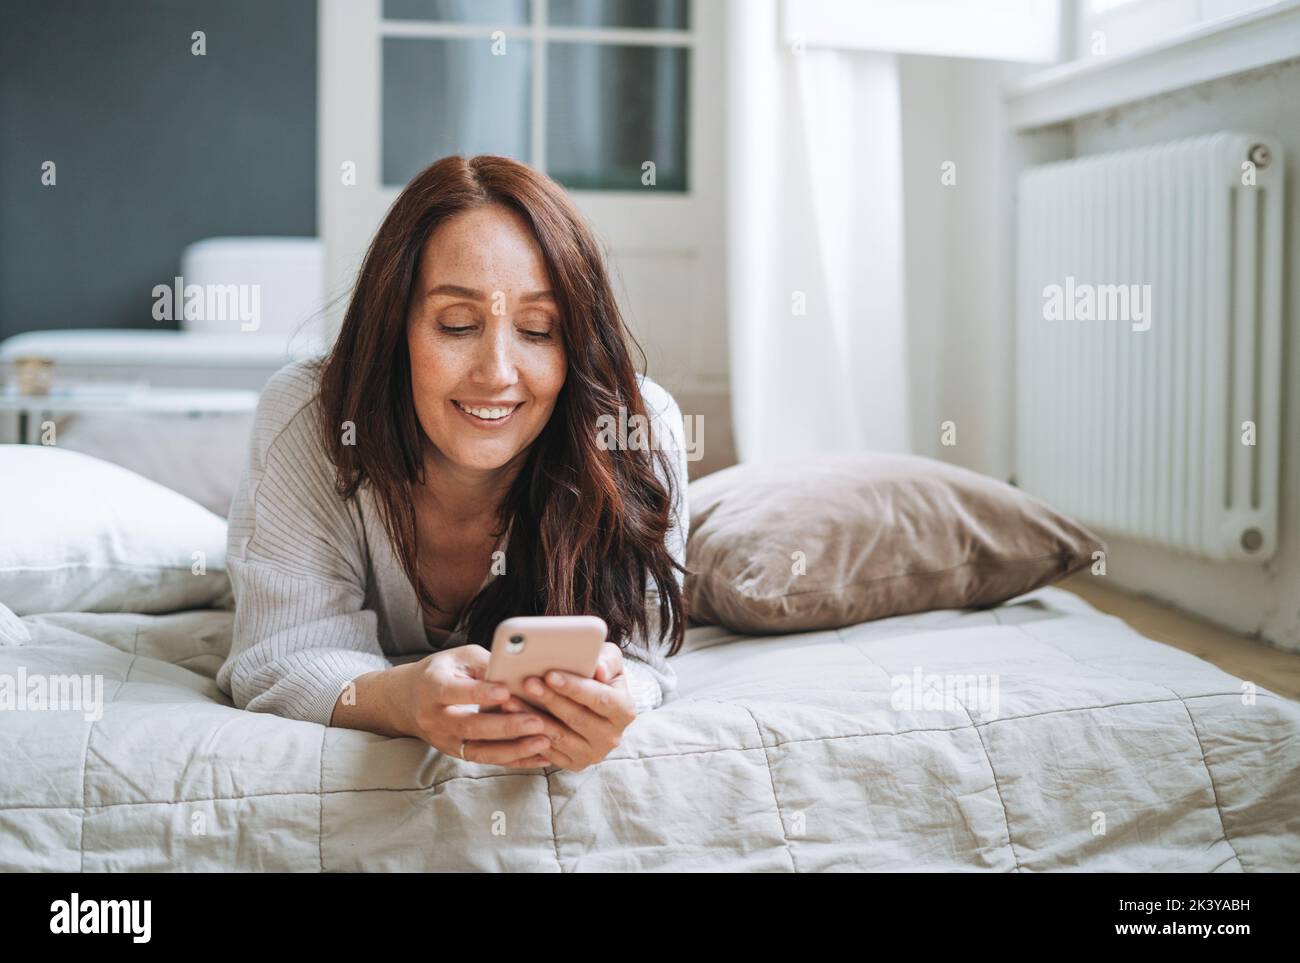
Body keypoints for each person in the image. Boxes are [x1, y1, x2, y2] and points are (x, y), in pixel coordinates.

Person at [216, 154, 689, 773]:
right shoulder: (311, 416)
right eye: (458, 324)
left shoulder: (635, 429)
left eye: (540, 330)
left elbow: (647, 658)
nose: (497, 373)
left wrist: (614, 694)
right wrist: (399, 698)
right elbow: (277, 651)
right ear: (396, 328)